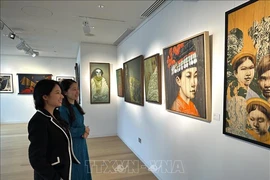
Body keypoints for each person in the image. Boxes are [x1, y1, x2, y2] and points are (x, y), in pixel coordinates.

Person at [28, 79, 80, 180]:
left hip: (62, 171)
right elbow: (36, 159)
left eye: (61, 93)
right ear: (45, 97)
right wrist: (55, 177)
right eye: (57, 93)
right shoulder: (39, 121)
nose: (62, 96)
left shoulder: (56, 116)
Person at [59, 79, 92, 180]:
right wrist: (84, 130)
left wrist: (85, 131)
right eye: (74, 89)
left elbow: (79, 124)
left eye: (77, 89)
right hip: (72, 146)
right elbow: (66, 130)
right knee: (75, 169)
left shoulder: (76, 107)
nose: (77, 92)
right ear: (65, 92)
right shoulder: (63, 109)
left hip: (81, 143)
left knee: (83, 167)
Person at [167, 40, 200, 116]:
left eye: (195, 76)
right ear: (178, 80)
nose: (193, 83)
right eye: (188, 76)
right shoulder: (177, 108)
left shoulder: (192, 106)